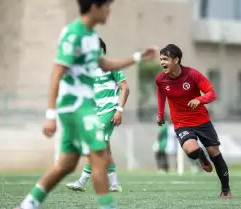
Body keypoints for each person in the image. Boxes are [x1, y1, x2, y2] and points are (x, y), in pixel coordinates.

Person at [15, 0, 157, 208]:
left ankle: (28, 204)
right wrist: (50, 115)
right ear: (94, 7)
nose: (109, 10)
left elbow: (104, 64)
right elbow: (56, 74)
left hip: (87, 105)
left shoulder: (91, 36)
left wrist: (137, 57)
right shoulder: (73, 34)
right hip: (75, 106)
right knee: (99, 154)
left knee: (67, 164)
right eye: (107, 6)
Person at [155, 44, 232, 198]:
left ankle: (226, 190)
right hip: (181, 123)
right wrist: (161, 114)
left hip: (202, 121)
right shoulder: (161, 79)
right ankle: (201, 156)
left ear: (176, 59)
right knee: (191, 150)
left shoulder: (193, 75)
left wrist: (200, 99)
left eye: (166, 59)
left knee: (215, 154)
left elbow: (212, 93)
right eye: (161, 59)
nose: (162, 62)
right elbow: (161, 94)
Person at [66, 37, 129, 192]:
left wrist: (119, 110)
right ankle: (115, 184)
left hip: (109, 111)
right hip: (96, 113)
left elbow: (125, 88)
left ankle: (82, 181)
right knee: (105, 149)